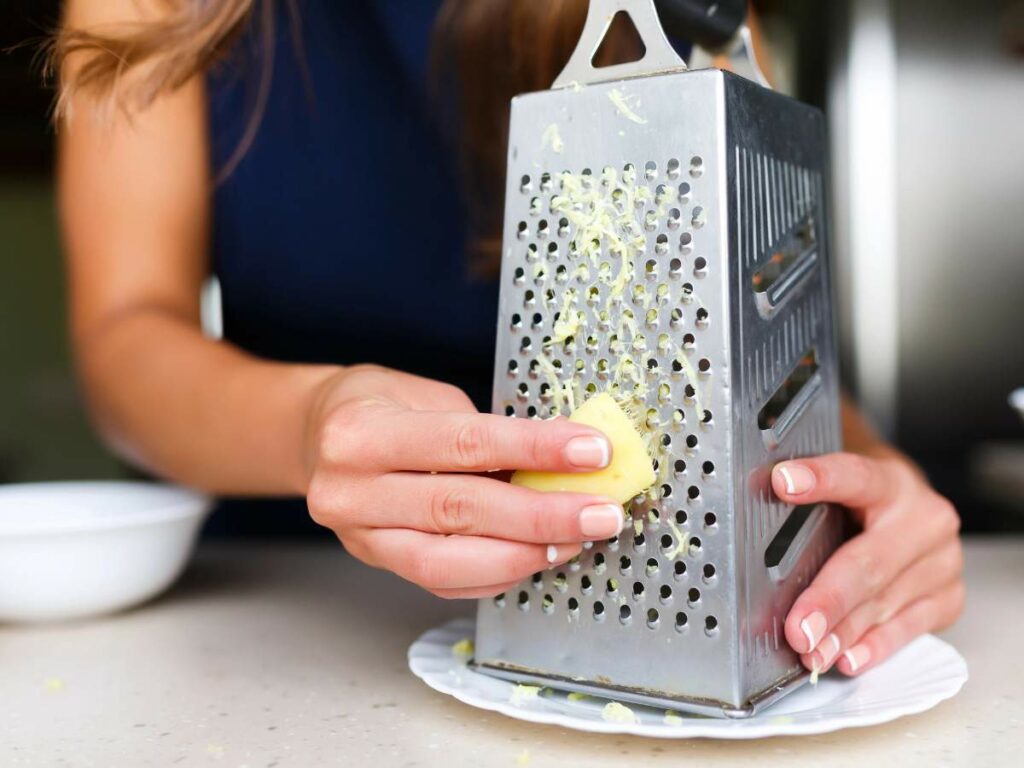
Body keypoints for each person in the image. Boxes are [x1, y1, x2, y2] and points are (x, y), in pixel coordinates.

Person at [51, 0, 963, 679]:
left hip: (623, 585)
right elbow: (126, 335)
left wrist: (875, 486)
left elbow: (749, 328)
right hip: (276, 606)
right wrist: (307, 425)